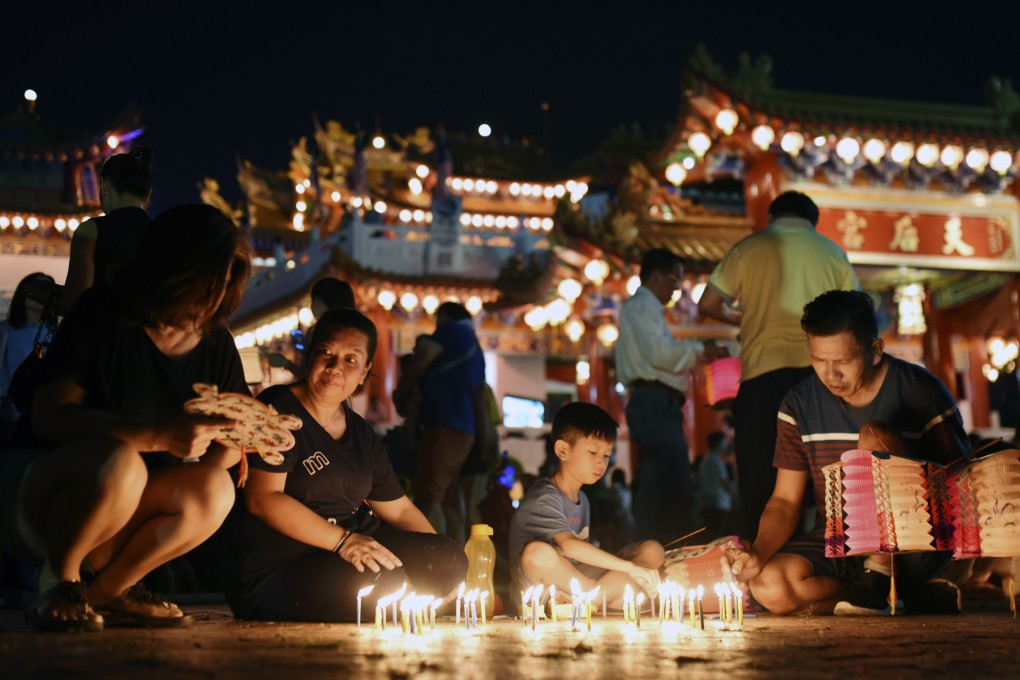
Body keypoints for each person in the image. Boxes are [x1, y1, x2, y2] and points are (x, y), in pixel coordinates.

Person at [0, 204, 252, 632]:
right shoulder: (104, 314)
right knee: (121, 462)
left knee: (215, 489)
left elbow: (231, 439)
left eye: (224, 284)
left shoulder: (214, 344)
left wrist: (225, 448)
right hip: (42, 497)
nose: (214, 298)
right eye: (207, 282)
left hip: (126, 511)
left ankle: (108, 591)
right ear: (174, 270)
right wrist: (157, 437)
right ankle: (57, 583)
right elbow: (49, 417)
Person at [728, 290, 972, 616]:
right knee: (769, 585)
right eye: (819, 360)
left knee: (874, 437)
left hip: (913, 543)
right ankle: (891, 595)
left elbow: (962, 477)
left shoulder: (920, 391)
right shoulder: (798, 404)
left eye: (843, 361)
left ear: (874, 351)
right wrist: (758, 553)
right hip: (838, 541)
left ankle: (887, 575)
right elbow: (785, 500)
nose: (830, 375)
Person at [224, 308, 467, 622]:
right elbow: (263, 499)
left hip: (357, 550)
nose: (335, 367)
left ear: (365, 371)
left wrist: (438, 560)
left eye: (351, 360)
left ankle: (415, 596)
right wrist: (343, 541)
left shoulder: (360, 432)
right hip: (282, 565)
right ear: (308, 355)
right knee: (383, 584)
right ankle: (405, 600)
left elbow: (401, 510)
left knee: (449, 559)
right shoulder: (276, 410)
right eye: (326, 352)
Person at [698, 191, 858, 540]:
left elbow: (709, 302)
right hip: (818, 377)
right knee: (824, 473)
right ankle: (820, 560)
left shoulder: (750, 247)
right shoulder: (832, 252)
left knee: (759, 474)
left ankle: (763, 562)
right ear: (811, 222)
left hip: (761, 374)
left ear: (771, 217)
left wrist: (741, 318)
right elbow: (856, 315)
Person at [509, 402, 663, 611]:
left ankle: (595, 599)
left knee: (653, 550)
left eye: (606, 455)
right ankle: (602, 599)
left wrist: (632, 568)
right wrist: (630, 568)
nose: (601, 462)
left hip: (578, 583)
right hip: (543, 589)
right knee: (537, 553)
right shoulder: (544, 496)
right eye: (592, 452)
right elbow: (569, 546)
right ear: (563, 450)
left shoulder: (582, 499)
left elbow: (579, 559)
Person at [616, 248, 720, 542]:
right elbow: (658, 353)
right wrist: (700, 350)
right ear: (659, 275)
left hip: (653, 401)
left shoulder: (641, 308)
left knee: (657, 478)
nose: (677, 288)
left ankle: (654, 546)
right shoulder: (643, 306)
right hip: (654, 401)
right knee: (671, 481)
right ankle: (666, 546)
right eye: (675, 279)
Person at [26, 149, 153, 316]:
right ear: (147, 193)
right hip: (145, 337)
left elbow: (73, 302)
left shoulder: (92, 230)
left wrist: (31, 289)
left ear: (104, 185)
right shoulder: (162, 231)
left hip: (101, 335)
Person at [408, 302, 485, 543]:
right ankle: (457, 554)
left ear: (443, 316)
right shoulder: (475, 345)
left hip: (446, 424)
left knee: (429, 494)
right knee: (449, 497)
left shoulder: (452, 330)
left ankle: (435, 556)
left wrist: (403, 387)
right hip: (464, 429)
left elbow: (423, 358)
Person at [1, 273, 56, 439]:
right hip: (8, 415)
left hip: (40, 414)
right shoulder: (5, 331)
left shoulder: (56, 335)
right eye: (38, 291)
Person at [698, 431, 736, 540]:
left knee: (713, 534)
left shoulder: (708, 459)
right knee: (718, 536)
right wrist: (735, 496)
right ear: (719, 443)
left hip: (711, 503)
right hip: (718, 504)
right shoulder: (715, 460)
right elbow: (724, 481)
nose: (726, 444)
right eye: (724, 441)